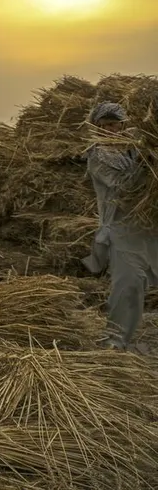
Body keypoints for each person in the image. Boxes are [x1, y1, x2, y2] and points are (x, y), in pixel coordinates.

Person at [83, 101, 158, 351]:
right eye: (103, 125)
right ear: (95, 127)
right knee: (129, 284)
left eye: (114, 125)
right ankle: (114, 342)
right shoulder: (97, 157)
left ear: (123, 126)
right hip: (121, 230)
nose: (109, 130)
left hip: (149, 226)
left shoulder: (134, 149)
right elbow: (124, 187)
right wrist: (147, 163)